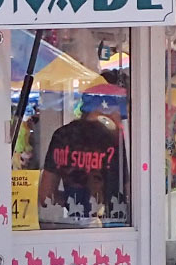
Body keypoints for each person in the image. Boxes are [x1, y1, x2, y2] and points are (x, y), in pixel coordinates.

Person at [36, 96, 127, 228]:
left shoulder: (63, 136)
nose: (118, 120)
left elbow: (46, 195)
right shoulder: (114, 140)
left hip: (73, 225)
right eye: (118, 113)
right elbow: (129, 190)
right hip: (115, 227)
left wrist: (70, 199)